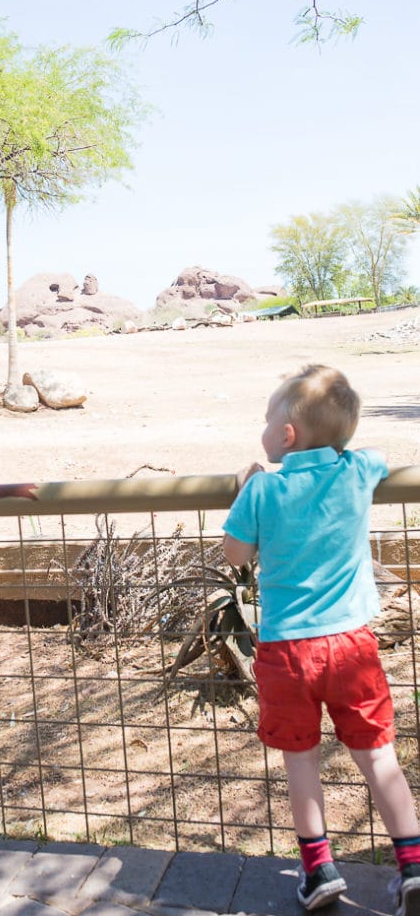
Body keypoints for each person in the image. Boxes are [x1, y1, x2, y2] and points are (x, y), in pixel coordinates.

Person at [222, 364, 420, 915]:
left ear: (286, 436)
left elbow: (234, 556)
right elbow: (374, 455)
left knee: (301, 761)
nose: (263, 428)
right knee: (380, 758)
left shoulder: (264, 486)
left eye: (268, 420)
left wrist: (247, 487)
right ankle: (414, 865)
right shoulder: (357, 471)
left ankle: (319, 871)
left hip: (289, 650)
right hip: (352, 646)